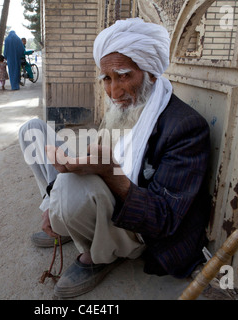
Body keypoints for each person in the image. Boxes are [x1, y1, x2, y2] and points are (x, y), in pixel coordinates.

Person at [19, 18, 211, 298]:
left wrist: (110, 173)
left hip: (135, 225)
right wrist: (51, 199)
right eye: (107, 79)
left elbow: (163, 220)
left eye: (124, 76)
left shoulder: (185, 127)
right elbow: (97, 152)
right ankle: (64, 221)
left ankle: (97, 255)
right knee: (32, 132)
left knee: (70, 186)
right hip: (106, 192)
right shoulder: (121, 108)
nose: (114, 91)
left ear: (151, 73)